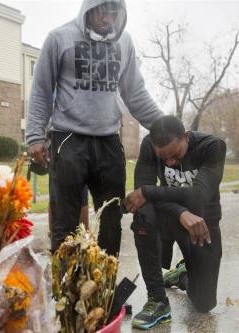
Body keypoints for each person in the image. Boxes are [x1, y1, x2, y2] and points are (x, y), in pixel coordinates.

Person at [26, 0, 163, 255]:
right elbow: (41, 91)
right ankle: (66, 291)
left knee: (110, 222)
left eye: (114, 12)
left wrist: (165, 128)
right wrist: (35, 136)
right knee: (65, 224)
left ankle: (103, 291)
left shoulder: (124, 42)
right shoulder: (59, 38)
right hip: (68, 140)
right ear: (88, 8)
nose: (107, 18)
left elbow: (135, 93)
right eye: (101, 11)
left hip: (108, 141)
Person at [124, 115, 226, 329]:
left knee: (204, 303)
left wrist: (149, 191)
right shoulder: (148, 146)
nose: (169, 161)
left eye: (175, 155)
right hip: (169, 219)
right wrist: (181, 212)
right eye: (164, 158)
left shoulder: (213, 147)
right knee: (142, 212)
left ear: (185, 137)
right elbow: (139, 197)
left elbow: (198, 196)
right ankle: (158, 301)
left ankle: (183, 275)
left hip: (203, 223)